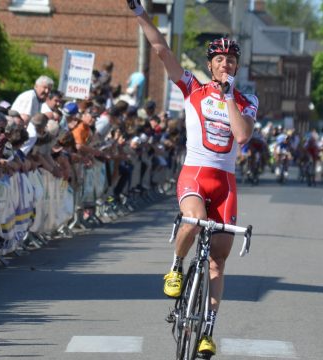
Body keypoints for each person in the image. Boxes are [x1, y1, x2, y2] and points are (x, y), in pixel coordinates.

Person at [126, 0, 257, 356]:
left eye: (231, 60)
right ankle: (175, 267)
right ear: (209, 65)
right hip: (195, 175)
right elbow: (160, 48)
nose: (225, 64)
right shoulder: (192, 89)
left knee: (219, 258)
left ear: (236, 66)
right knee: (194, 220)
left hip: (225, 182)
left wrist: (229, 98)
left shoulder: (246, 101)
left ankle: (208, 330)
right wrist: (140, 14)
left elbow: (242, 136)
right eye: (219, 59)